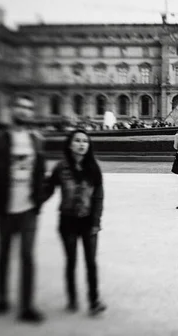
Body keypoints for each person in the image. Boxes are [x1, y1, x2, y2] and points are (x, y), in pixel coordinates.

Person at [0, 95, 46, 323]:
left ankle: (27, 306)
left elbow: (39, 173)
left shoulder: (36, 140)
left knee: (27, 257)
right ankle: (1, 297)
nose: (24, 111)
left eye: (29, 108)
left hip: (28, 208)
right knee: (4, 255)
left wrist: (38, 201)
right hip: (5, 207)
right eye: (20, 106)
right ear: (12, 110)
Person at [42, 130, 106, 316]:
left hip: (88, 222)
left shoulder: (94, 167)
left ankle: (94, 301)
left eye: (85, 141)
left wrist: (96, 222)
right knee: (71, 261)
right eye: (77, 140)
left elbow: (98, 197)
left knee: (91, 263)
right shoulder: (61, 167)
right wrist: (34, 201)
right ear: (70, 144)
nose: (81, 144)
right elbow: (48, 189)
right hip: (68, 221)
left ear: (88, 145)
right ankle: (72, 299)